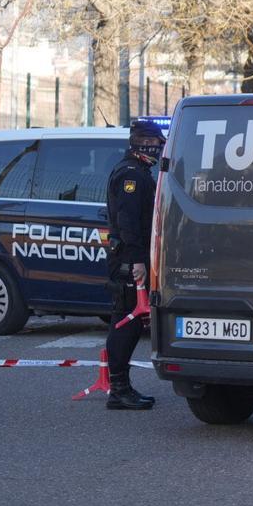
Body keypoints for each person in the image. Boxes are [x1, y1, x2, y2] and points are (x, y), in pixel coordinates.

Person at [104, 119, 166, 410]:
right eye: (154, 143)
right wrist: (137, 260)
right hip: (129, 260)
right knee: (125, 322)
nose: (157, 149)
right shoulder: (131, 175)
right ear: (142, 143)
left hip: (132, 257)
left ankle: (121, 386)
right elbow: (128, 222)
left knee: (127, 321)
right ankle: (118, 388)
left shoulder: (138, 171)